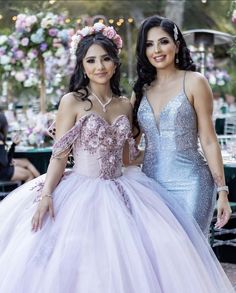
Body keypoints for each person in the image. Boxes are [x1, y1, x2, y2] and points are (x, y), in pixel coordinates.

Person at [0, 22, 234, 293]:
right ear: (82, 66)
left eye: (105, 59)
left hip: (157, 183)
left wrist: (218, 185)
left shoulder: (131, 101)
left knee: (169, 256)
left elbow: (134, 155)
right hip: (108, 186)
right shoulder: (89, 99)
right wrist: (50, 190)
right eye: (91, 61)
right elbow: (72, 156)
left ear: (115, 63)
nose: (99, 67)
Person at [132, 15, 232, 235]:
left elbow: (208, 139)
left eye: (163, 41)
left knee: (187, 251)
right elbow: (130, 146)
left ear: (177, 46)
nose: (157, 50)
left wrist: (222, 191)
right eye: (149, 44)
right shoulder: (141, 90)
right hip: (151, 184)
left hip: (192, 183)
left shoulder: (195, 81)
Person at [0, 111, 40, 182]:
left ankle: (41, 182)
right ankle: (39, 185)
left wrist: (13, 144)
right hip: (3, 171)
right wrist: (10, 160)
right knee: (29, 175)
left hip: (3, 167)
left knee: (26, 161)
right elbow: (5, 162)